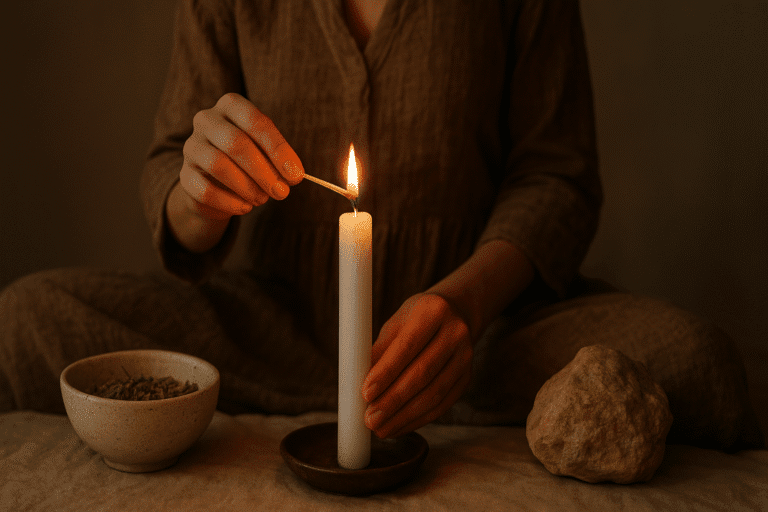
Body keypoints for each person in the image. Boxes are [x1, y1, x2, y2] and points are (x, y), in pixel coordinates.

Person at [0, 0, 762, 449]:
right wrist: (197, 195)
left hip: (487, 338)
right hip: (279, 327)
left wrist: (462, 308)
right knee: (27, 320)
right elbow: (171, 169)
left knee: (697, 361)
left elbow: (557, 176)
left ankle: (426, 379)